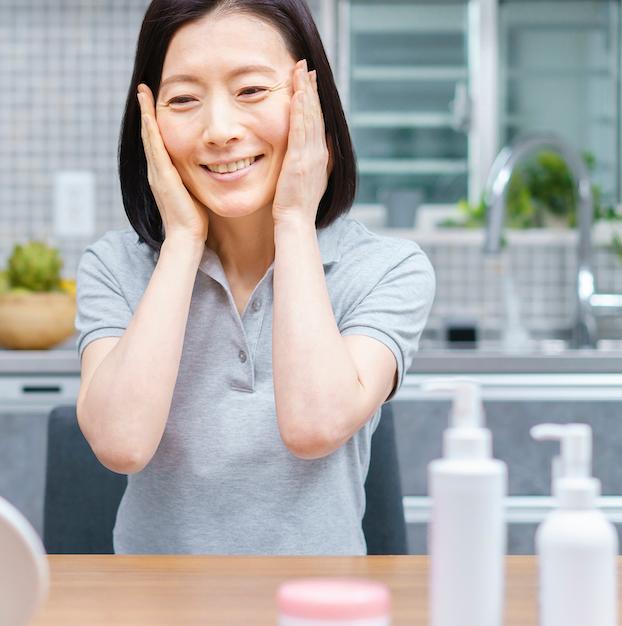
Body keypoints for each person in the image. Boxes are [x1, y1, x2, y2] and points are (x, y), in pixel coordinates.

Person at [74, 0, 435, 555]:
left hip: (316, 606)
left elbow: (314, 426)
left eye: (251, 91)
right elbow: (121, 445)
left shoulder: (386, 270)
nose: (220, 130)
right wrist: (182, 242)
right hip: (153, 606)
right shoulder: (114, 267)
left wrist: (294, 220)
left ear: (312, 101)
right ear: (147, 122)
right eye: (183, 100)